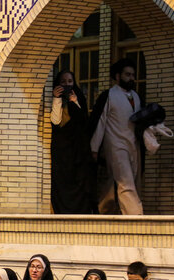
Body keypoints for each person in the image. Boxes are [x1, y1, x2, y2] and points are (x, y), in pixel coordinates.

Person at [90, 58, 144, 215]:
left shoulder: (136, 96)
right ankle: (137, 217)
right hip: (115, 144)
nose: (131, 78)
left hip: (133, 144)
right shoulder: (109, 95)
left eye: (133, 75)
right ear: (118, 76)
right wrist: (94, 148)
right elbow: (100, 122)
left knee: (124, 180)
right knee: (125, 182)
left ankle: (103, 209)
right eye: (127, 74)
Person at [50, 70, 93, 214]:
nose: (67, 85)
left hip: (77, 153)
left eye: (70, 82)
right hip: (61, 152)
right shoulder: (54, 100)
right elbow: (55, 121)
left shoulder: (77, 97)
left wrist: (74, 102)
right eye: (63, 82)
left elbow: (83, 122)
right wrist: (56, 99)